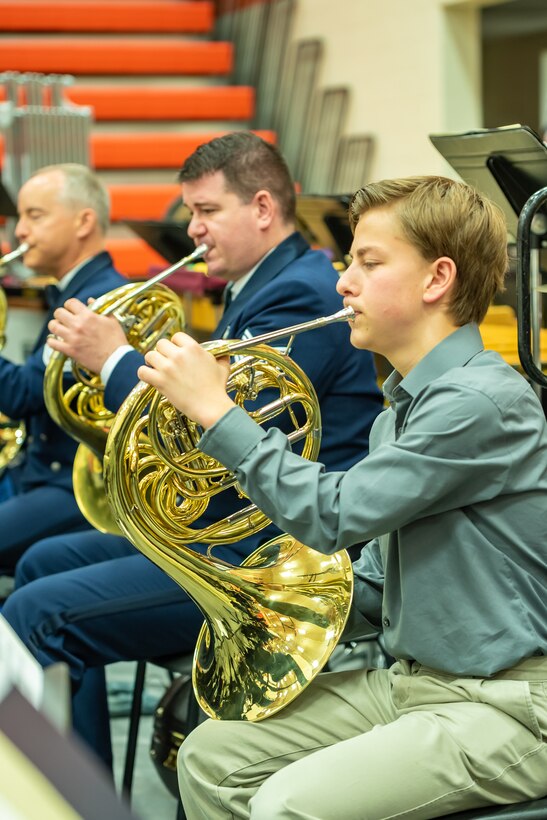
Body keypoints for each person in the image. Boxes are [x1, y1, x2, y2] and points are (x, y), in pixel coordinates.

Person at [137, 174, 547, 820]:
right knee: (212, 756)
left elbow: (334, 514)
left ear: (436, 279)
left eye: (368, 262)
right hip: (414, 684)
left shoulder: (481, 402)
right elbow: (378, 590)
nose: (342, 282)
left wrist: (218, 416)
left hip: (507, 706)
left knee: (286, 806)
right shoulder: (399, 413)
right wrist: (257, 611)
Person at [1, 132, 383, 771]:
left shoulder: (302, 292)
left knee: (32, 612)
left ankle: (70, 796)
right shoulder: (260, 285)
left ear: (262, 209)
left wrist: (114, 358)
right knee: (43, 563)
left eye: (207, 212)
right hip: (220, 526)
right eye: (191, 213)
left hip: (265, 550)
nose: (193, 230)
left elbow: (215, 422)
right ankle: (89, 782)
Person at [0, 163, 126, 573]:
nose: (20, 230)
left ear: (83, 222)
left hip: (71, 486)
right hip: (38, 471)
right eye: (21, 217)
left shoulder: (96, 302)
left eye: (35, 215)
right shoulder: (77, 290)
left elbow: (21, 395)